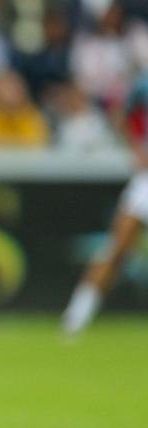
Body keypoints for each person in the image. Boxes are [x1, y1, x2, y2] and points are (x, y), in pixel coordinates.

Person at [62, 71, 148, 336]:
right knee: (117, 249)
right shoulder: (143, 86)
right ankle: (76, 318)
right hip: (146, 184)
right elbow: (122, 114)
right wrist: (136, 148)